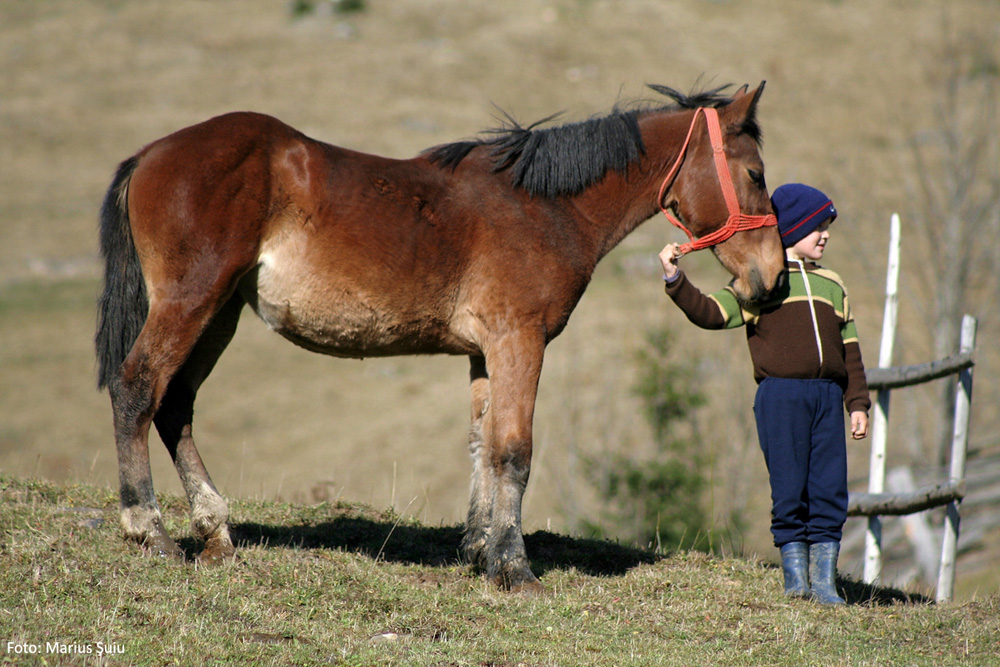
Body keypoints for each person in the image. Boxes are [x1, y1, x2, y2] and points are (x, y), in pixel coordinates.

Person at [659, 183, 870, 605]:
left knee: (829, 490)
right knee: (790, 489)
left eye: (828, 226)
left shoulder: (834, 285)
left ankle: (825, 584)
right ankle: (796, 582)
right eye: (818, 227)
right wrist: (674, 279)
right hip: (781, 398)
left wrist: (858, 404)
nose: (825, 235)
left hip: (828, 399)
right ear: (791, 231)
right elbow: (712, 313)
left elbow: (851, 350)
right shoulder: (760, 280)